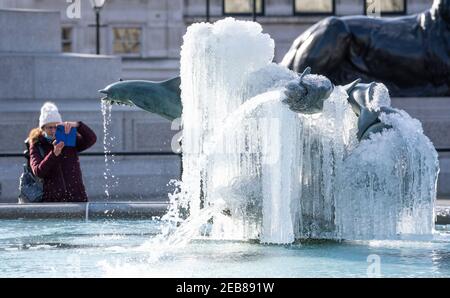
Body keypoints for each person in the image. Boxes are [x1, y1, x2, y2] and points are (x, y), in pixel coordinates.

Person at [27, 102, 97, 202]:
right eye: (49, 127)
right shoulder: (37, 144)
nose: (53, 130)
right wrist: (54, 154)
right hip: (52, 201)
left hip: (77, 198)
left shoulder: (68, 139)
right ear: (42, 128)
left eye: (56, 127)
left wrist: (78, 125)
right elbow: (38, 172)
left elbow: (91, 139)